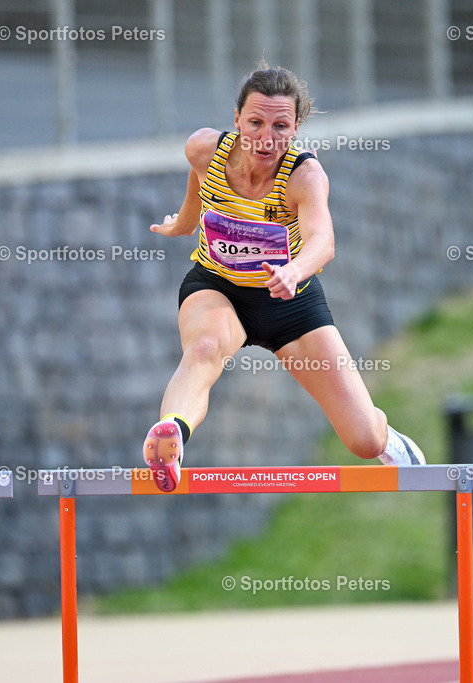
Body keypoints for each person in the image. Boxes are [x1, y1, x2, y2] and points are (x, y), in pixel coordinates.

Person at [144, 63, 424, 492]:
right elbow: (200, 185)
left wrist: (294, 269)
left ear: (295, 129)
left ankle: (387, 436)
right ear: (236, 120)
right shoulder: (204, 149)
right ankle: (172, 437)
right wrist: (184, 224)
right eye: (255, 123)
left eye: (280, 126)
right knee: (204, 348)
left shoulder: (304, 176)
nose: (266, 138)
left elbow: (323, 240)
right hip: (218, 288)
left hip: (290, 301)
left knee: (363, 441)